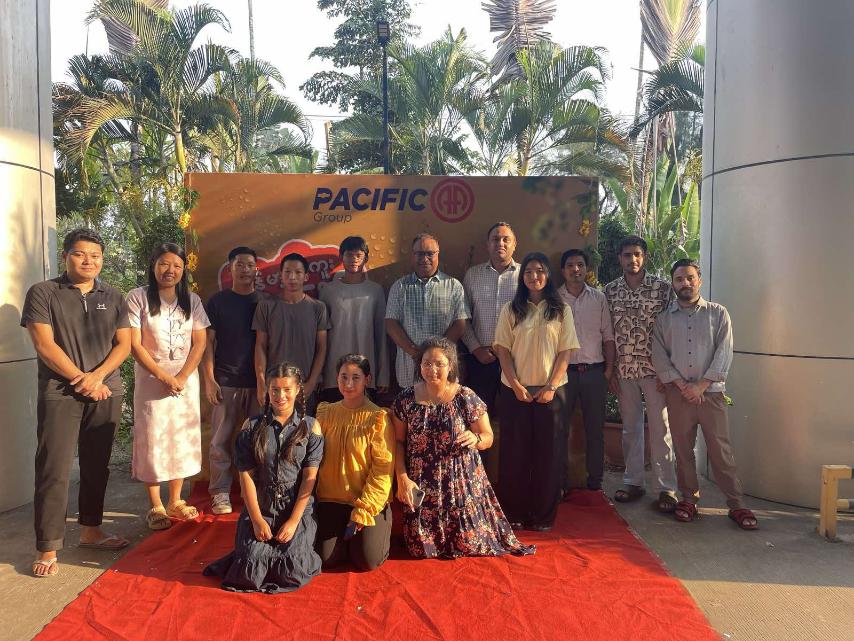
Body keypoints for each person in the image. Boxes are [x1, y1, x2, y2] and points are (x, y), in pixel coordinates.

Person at [21, 228, 131, 577]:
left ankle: (91, 530)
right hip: (61, 392)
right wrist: (82, 379)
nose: (88, 261)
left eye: (95, 256)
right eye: (80, 254)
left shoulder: (113, 296)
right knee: (53, 468)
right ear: (65, 256)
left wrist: (98, 377)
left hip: (105, 391)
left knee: (97, 465)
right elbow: (44, 344)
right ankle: (48, 546)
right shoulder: (43, 292)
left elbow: (124, 344)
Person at [392, 337, 533, 558]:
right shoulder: (405, 399)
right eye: (426, 363)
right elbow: (398, 442)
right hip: (422, 485)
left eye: (439, 364)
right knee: (421, 550)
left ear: (450, 366)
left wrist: (475, 439)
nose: (432, 369)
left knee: (469, 544)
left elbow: (488, 437)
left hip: (460, 484)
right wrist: (402, 478)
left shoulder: (465, 396)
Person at [651, 259, 758, 530]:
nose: (685, 283)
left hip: (711, 395)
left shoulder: (718, 314)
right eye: (679, 279)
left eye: (690, 277)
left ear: (699, 279)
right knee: (683, 449)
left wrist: (701, 386)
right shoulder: (664, 319)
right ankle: (689, 499)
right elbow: (659, 357)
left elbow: (724, 351)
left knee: (720, 450)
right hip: (679, 396)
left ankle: (736, 503)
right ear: (673, 283)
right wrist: (682, 385)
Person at [204, 362, 324, 592]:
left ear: (298, 390)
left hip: (295, 507)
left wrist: (293, 521)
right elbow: (246, 476)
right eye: (275, 389)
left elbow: (310, 478)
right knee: (249, 570)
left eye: (287, 389)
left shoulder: (311, 427)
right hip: (262, 505)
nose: (281, 396)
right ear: (267, 390)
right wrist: (257, 520)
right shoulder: (252, 426)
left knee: (292, 571)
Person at [494, 252, 580, 531]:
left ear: (548, 275)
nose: (534, 276)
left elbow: (565, 351)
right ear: (522, 277)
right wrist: (516, 385)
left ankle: (543, 516)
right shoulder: (511, 309)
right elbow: (502, 350)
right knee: (514, 454)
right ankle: (514, 513)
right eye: (529, 272)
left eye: (540, 271)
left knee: (549, 455)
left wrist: (551, 386)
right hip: (514, 391)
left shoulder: (561, 310)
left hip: (552, 393)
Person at [127, 243, 209, 530]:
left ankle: (175, 499)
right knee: (152, 438)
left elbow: (200, 342)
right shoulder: (137, 297)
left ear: (184, 270)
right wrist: (164, 376)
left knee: (180, 438)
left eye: (176, 265)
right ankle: (156, 505)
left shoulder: (192, 300)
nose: (170, 270)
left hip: (185, 382)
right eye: (164, 263)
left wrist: (182, 377)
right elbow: (134, 345)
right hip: (151, 381)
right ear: (153, 265)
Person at [604, 236, 678, 512]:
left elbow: (673, 331)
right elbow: (606, 333)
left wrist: (669, 372)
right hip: (624, 371)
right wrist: (610, 370)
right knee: (630, 429)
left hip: (656, 372)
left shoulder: (662, 289)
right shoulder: (610, 291)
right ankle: (633, 482)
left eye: (637, 254)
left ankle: (666, 488)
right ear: (619, 259)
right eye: (627, 255)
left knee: (661, 429)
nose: (632, 259)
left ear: (644, 256)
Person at [315, 354, 395, 570]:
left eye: (356, 378)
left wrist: (364, 510)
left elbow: (382, 469)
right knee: (325, 559)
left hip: (366, 501)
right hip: (331, 500)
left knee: (367, 561)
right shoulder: (325, 413)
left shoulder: (378, 417)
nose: (348, 384)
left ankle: (379, 528)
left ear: (367, 380)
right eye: (344, 377)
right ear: (336, 378)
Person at [202, 246, 264, 515]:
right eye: (239, 264)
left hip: (258, 384)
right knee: (220, 441)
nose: (245, 269)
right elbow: (207, 343)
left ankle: (258, 491)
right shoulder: (218, 302)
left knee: (258, 440)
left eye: (250, 265)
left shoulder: (264, 302)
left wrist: (265, 382)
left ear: (256, 269)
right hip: (225, 380)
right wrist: (209, 379)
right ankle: (220, 493)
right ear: (230, 268)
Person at [461, 222, 519, 471]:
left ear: (514, 244)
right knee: (477, 423)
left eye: (506, 239)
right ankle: (479, 477)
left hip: (515, 362)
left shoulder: (525, 275)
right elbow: (463, 318)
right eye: (495, 239)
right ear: (487, 244)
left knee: (513, 422)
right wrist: (476, 349)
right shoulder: (472, 275)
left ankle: (511, 478)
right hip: (480, 360)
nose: (500, 244)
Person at [558, 249, 616, 492]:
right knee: (560, 430)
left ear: (587, 269)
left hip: (594, 373)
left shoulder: (598, 299)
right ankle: (560, 483)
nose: (576, 270)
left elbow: (608, 337)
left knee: (595, 430)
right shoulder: (554, 299)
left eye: (580, 265)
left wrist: (608, 372)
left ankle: (595, 483)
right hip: (563, 375)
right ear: (563, 270)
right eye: (570, 265)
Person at [385, 233, 469, 389]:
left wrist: (437, 352)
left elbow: (460, 324)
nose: (424, 259)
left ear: (438, 254)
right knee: (411, 403)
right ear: (412, 255)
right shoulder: (400, 286)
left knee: (443, 403)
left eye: (430, 253)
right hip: (409, 367)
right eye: (419, 254)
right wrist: (414, 352)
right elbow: (391, 324)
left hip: (443, 366)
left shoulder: (453, 285)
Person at [253, 253, 329, 414]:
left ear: (306, 276)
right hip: (274, 388)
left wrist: (311, 383)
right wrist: (261, 383)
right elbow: (260, 345)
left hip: (304, 388)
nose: (292, 277)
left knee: (304, 429)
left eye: (298, 272)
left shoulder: (318, 308)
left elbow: (321, 348)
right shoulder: (266, 306)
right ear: (280, 275)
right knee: (270, 429)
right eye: (287, 272)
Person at [318, 236, 388, 403]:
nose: (354, 260)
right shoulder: (328, 291)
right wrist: (319, 375)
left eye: (359, 255)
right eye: (349, 255)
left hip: (366, 372)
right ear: (341, 257)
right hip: (333, 375)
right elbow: (320, 337)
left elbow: (381, 335)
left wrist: (383, 375)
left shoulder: (375, 291)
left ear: (366, 258)